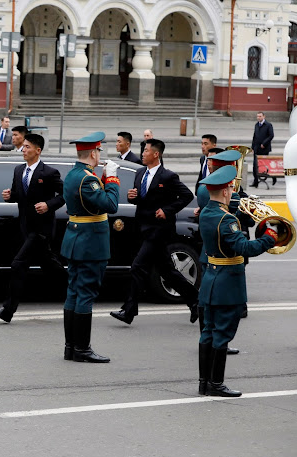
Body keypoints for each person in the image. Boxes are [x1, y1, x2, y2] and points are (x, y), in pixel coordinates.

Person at [196, 165, 277, 397]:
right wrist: (269, 238)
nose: (233, 193)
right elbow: (244, 248)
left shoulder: (206, 213)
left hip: (211, 279)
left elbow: (227, 210)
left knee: (208, 332)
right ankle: (217, 384)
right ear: (224, 192)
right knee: (222, 333)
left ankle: (205, 382)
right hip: (227, 283)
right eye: (231, 189)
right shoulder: (226, 220)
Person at [110, 139, 199, 325]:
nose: (142, 154)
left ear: (156, 154)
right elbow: (140, 200)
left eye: (146, 151)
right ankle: (196, 302)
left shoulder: (168, 177)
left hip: (159, 231)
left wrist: (167, 210)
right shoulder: (140, 172)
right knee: (167, 271)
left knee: (137, 267)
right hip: (142, 228)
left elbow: (187, 196)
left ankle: (129, 310)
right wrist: (131, 197)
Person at [0, 133, 66, 323]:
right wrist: (10, 195)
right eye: (23, 146)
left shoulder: (49, 173)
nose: (23, 149)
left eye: (28, 147)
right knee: (50, 266)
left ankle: (7, 310)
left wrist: (49, 204)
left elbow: (65, 195)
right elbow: (19, 195)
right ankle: (78, 292)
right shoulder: (18, 170)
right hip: (25, 228)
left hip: (41, 230)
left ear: (38, 151)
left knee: (18, 265)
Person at [61, 132, 120, 363]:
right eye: (98, 152)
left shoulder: (74, 174)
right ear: (94, 153)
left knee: (74, 293)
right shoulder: (88, 179)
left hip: (76, 240)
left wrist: (102, 180)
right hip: (90, 243)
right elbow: (110, 204)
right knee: (85, 293)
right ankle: (82, 349)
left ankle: (71, 347)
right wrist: (112, 179)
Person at [251, 111, 275, 188]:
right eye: (257, 116)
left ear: (264, 116)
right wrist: (252, 147)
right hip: (256, 148)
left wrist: (264, 144)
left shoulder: (268, 125)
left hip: (264, 149)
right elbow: (254, 136)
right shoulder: (256, 125)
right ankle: (255, 182)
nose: (258, 118)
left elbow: (271, 135)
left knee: (264, 165)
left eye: (260, 116)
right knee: (255, 166)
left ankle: (273, 177)